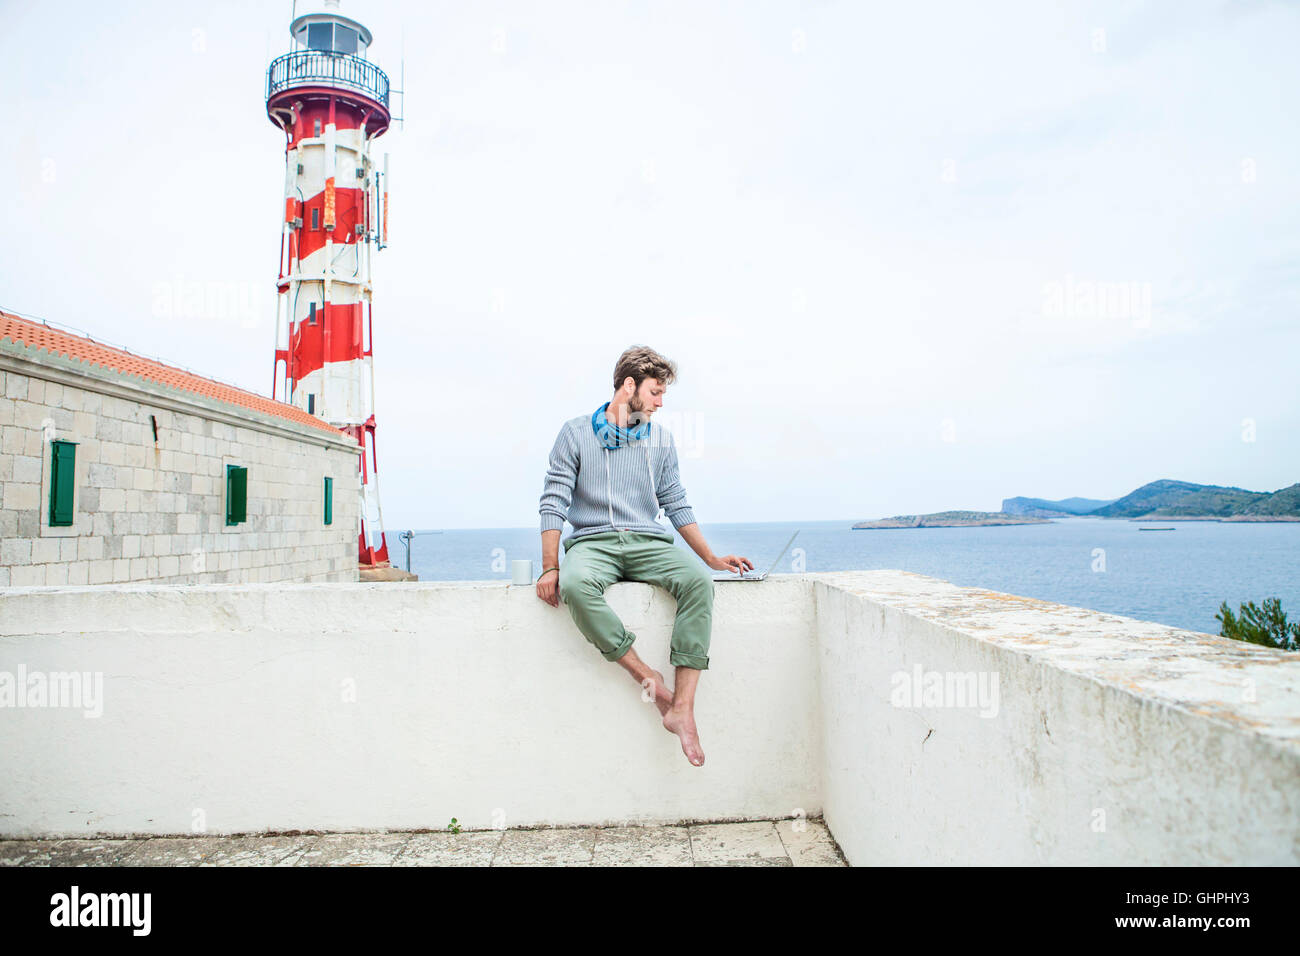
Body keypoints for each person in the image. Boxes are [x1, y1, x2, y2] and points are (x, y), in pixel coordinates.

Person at [535, 346, 752, 767]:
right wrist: (550, 565)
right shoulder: (575, 433)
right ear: (628, 385)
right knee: (576, 586)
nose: (660, 402)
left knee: (697, 584)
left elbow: (674, 501)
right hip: (593, 543)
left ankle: (683, 707)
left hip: (648, 542)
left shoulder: (661, 440)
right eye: (655, 391)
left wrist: (709, 558)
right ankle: (649, 679)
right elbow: (553, 500)